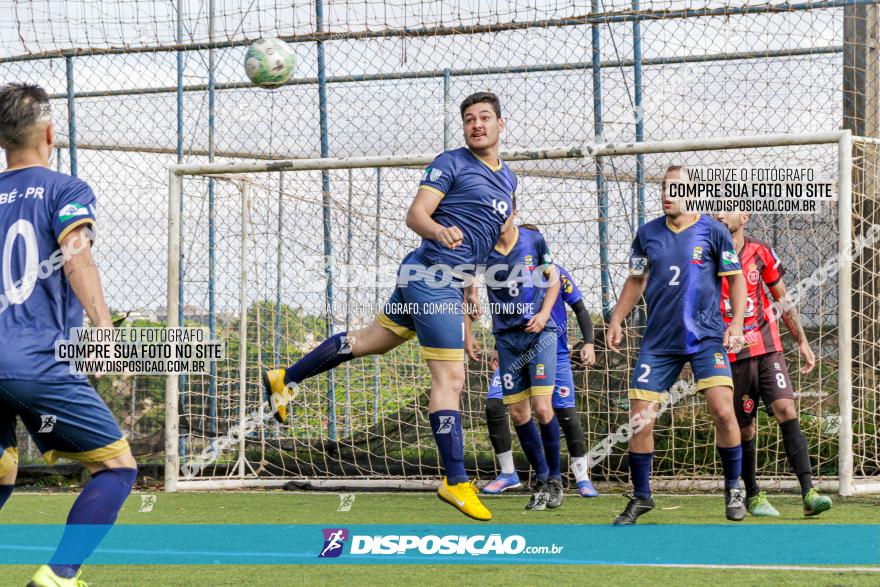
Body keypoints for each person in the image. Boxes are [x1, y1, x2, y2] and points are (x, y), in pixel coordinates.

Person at [263, 92, 516, 521]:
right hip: (431, 278)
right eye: (470, 119)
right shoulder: (450, 162)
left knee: (368, 342)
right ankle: (456, 481)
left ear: (500, 125)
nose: (477, 124)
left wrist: (471, 285)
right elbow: (416, 215)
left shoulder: (508, 179)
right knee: (451, 379)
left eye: (485, 118)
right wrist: (438, 231)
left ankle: (285, 377)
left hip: (443, 282)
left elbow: (487, 235)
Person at [0, 83, 137, 586]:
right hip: (32, 362)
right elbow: (76, 254)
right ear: (50, 133)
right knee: (117, 469)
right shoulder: (65, 189)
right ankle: (59, 575)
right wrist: (103, 331)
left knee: (3, 471)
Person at [606, 165, 748, 524]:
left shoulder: (714, 231)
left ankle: (734, 489)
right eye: (663, 188)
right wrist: (617, 318)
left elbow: (736, 281)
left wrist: (735, 323)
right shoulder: (647, 234)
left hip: (705, 338)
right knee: (639, 419)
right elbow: (636, 280)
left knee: (722, 410)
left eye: (675, 187)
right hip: (659, 342)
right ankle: (641, 496)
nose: (666, 194)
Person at [716, 212, 832, 517]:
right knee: (745, 428)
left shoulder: (761, 251)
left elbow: (782, 298)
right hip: (731, 352)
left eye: (726, 208)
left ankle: (809, 492)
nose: (718, 213)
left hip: (767, 347)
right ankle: (752, 494)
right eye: (715, 207)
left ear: (744, 216)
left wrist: (802, 341)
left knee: (786, 409)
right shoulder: (708, 253)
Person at [477, 262, 598, 502]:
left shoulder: (556, 273)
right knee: (494, 406)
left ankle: (581, 477)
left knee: (562, 411)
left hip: (555, 352)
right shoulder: (510, 273)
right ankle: (509, 474)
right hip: (514, 351)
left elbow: (580, 308)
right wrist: (496, 347)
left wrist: (589, 342)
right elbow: (506, 314)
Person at [466, 212, 560, 510]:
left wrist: (544, 314)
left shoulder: (532, 239)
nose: (496, 218)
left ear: (513, 212)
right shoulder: (482, 246)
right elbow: (466, 289)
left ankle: (555, 479)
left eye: (502, 211)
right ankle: (541, 478)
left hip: (539, 335)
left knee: (543, 408)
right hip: (506, 340)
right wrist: (470, 328)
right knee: (519, 414)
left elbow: (553, 280)